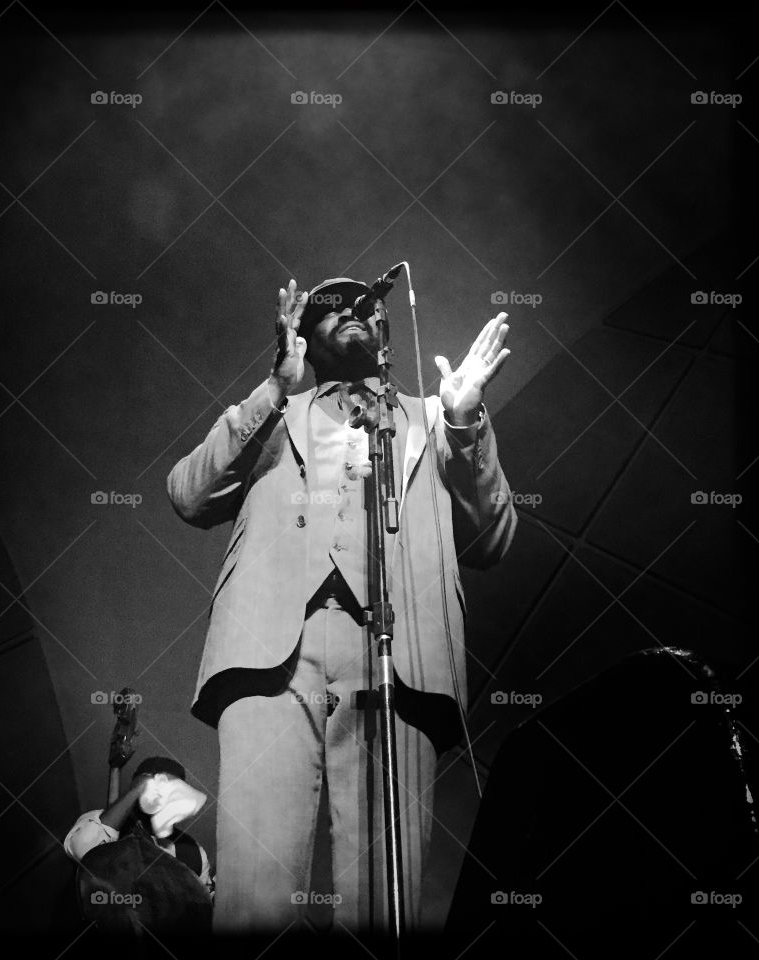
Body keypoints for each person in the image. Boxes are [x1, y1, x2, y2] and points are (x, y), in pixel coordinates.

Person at [166, 276, 517, 935]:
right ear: (302, 336)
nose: (351, 312)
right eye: (330, 308)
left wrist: (464, 419)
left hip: (398, 659)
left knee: (383, 905)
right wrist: (273, 389)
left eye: (366, 305)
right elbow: (188, 495)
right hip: (272, 654)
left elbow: (493, 538)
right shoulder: (273, 417)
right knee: (252, 901)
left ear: (387, 333)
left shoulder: (434, 421)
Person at [64, 755, 214, 901]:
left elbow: (201, 904)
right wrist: (137, 790)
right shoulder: (97, 820)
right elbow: (83, 851)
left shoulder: (194, 852)